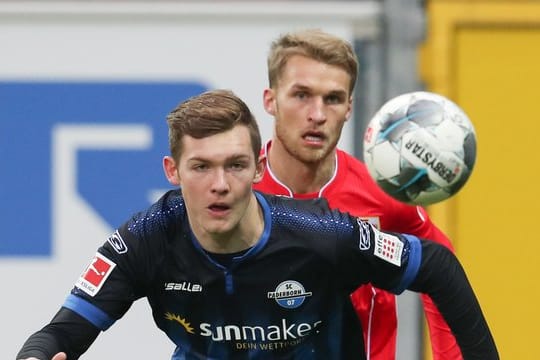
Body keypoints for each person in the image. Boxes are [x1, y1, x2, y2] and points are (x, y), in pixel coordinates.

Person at [16, 89, 498, 360]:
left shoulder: (322, 236)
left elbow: (434, 263)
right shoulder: (143, 241)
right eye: (201, 167)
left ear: (258, 169)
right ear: (172, 171)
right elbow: (59, 335)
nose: (220, 184)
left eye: (235, 165)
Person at [253, 29, 462, 359]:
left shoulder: (381, 193)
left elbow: (443, 269)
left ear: (349, 107)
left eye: (333, 99)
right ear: (270, 100)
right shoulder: (235, 194)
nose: (318, 115)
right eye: (301, 95)